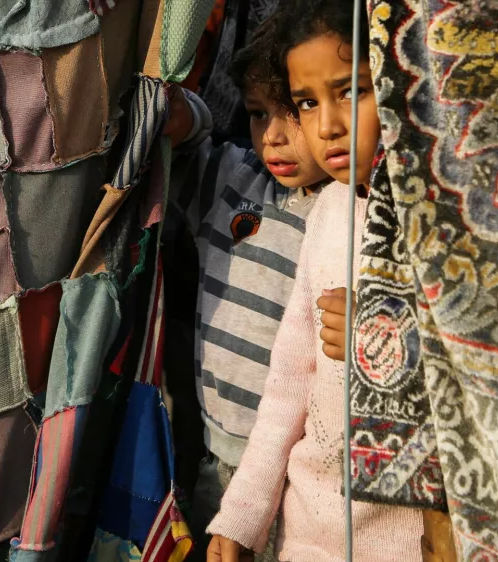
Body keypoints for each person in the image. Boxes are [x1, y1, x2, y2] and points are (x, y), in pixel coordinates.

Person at [205, 1, 424, 560]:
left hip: (407, 543)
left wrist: (387, 335)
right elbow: (288, 383)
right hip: (305, 535)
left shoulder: (440, 224)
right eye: (308, 102)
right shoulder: (328, 212)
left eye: (351, 92)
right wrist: (242, 515)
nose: (327, 126)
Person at [164, 15, 330, 561]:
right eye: (259, 113)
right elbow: (180, 144)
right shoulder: (234, 181)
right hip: (216, 454)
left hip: (301, 472)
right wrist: (185, 117)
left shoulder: (350, 215)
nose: (273, 136)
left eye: (297, 110)